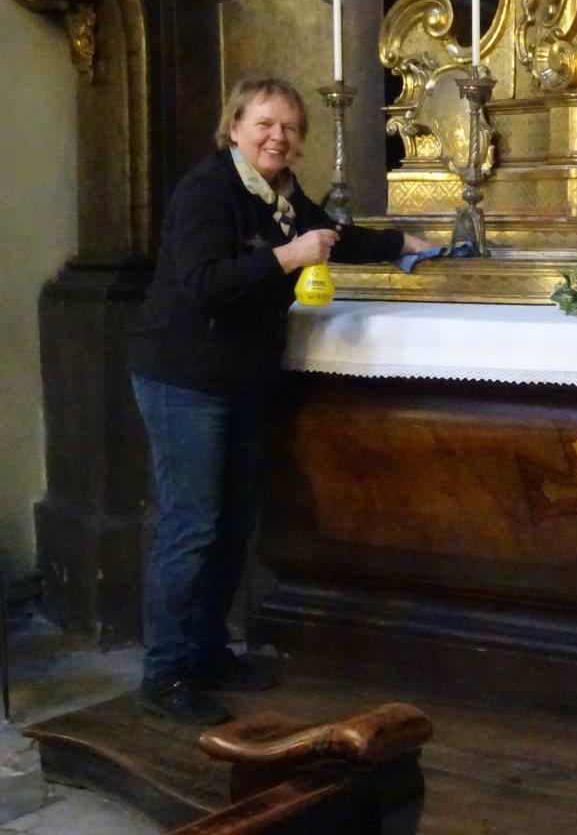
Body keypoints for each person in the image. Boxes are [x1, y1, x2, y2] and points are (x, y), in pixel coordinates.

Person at [129, 76, 430, 724]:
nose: (278, 137)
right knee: (191, 529)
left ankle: (208, 652)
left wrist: (404, 244)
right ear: (234, 127)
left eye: (291, 128)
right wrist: (288, 256)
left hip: (239, 379)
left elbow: (333, 236)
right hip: (185, 379)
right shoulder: (208, 190)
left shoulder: (282, 194)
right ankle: (164, 675)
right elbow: (205, 283)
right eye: (265, 124)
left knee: (234, 524)